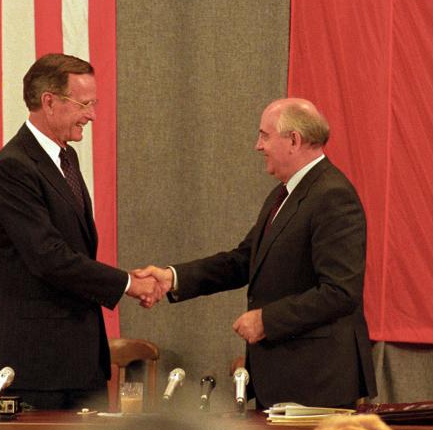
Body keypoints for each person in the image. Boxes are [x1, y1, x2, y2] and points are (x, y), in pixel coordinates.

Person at [137, 98, 376, 409]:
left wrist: (267, 319)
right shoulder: (285, 193)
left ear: (294, 140)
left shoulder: (332, 195)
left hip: (317, 381)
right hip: (286, 377)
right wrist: (173, 278)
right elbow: (243, 260)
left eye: (264, 135)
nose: (257, 146)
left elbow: (340, 292)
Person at [0, 53, 158, 410]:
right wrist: (127, 283)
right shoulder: (13, 167)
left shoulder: (65, 158)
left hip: (77, 362)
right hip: (35, 367)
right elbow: (48, 257)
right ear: (49, 101)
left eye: (94, 104)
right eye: (85, 104)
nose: (92, 115)